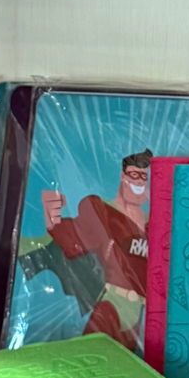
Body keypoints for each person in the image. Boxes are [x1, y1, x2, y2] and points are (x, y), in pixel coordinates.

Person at [41, 149, 152, 350]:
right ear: (123, 176)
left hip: (137, 313)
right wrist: (52, 211)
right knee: (88, 356)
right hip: (113, 304)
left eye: (143, 177)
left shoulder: (152, 224)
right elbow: (72, 238)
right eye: (134, 175)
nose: (138, 182)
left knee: (124, 370)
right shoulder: (105, 213)